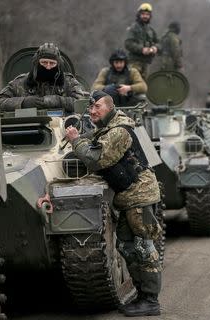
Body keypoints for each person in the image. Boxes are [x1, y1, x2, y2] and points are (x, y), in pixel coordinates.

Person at [64, 91, 162, 317]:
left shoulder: (118, 131)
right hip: (129, 196)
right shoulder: (107, 129)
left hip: (139, 194)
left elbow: (96, 159)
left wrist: (76, 141)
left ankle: (151, 300)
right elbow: (95, 140)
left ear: (110, 107)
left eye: (97, 107)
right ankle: (142, 296)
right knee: (126, 246)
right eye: (91, 108)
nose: (93, 111)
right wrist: (81, 137)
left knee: (143, 248)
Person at [0, 43, 85, 113]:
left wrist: (56, 101)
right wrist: (24, 102)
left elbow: (82, 104)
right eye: (44, 62)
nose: (48, 67)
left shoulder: (68, 82)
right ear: (37, 63)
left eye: (52, 63)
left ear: (58, 64)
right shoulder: (21, 82)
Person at [125, 3, 160, 79]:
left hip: (146, 63)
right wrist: (141, 49)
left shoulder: (150, 30)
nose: (145, 16)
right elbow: (128, 43)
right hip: (134, 62)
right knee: (133, 85)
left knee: (143, 88)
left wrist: (155, 48)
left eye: (147, 14)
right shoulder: (133, 28)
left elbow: (159, 42)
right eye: (143, 14)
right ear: (139, 15)